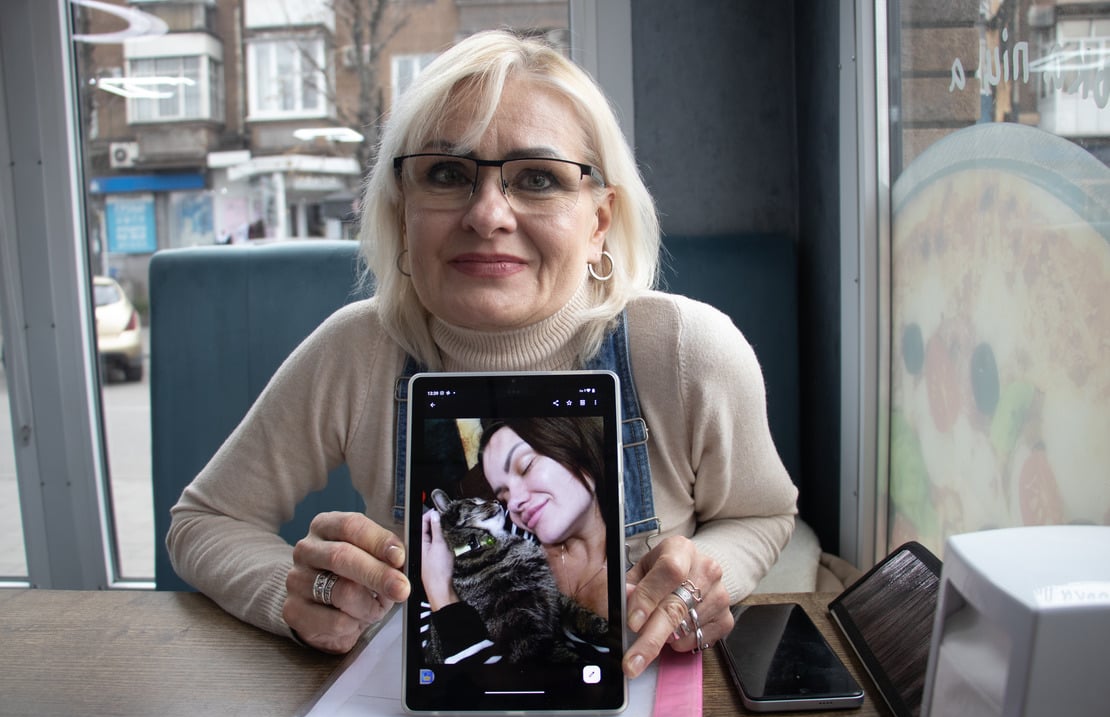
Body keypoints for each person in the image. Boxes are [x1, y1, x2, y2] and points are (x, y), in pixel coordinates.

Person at [166, 29, 798, 679]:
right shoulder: (356, 352)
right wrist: (293, 596)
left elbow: (762, 512)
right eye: (446, 173)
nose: (488, 213)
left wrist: (707, 581)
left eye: (538, 177)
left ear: (599, 222)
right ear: (403, 212)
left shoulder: (690, 351)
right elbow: (204, 521)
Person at [420, 417, 612, 664]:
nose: (513, 503)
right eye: (503, 493)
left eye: (526, 466)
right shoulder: (504, 531)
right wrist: (440, 590)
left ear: (573, 446)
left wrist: (445, 601)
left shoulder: (633, 571)